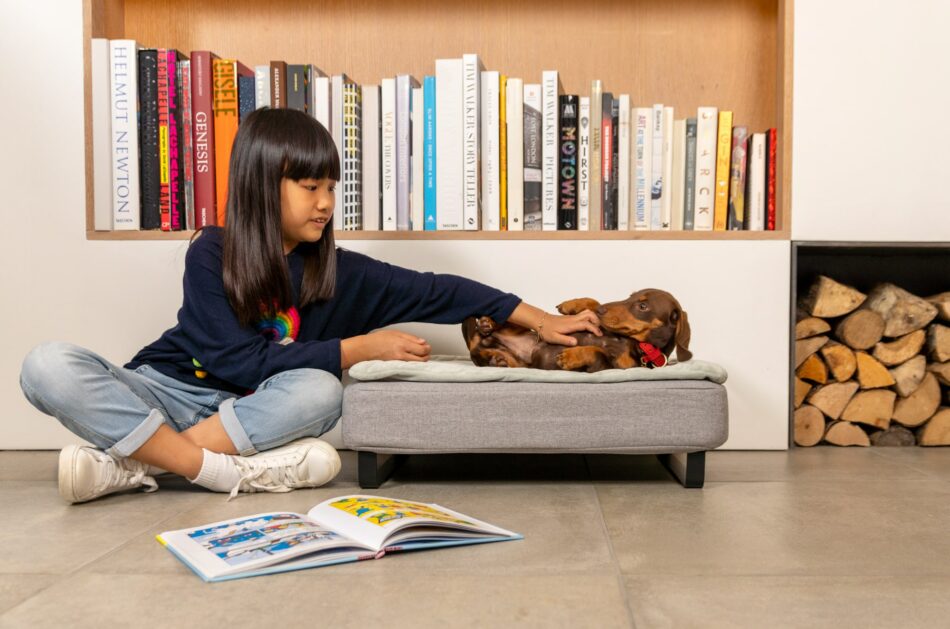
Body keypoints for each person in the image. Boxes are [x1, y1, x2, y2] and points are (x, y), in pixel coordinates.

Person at [19, 108, 601, 504]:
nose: (325, 204)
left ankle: (135, 464)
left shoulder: (338, 270)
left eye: (332, 187)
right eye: (309, 187)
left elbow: (442, 290)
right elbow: (238, 360)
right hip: (168, 390)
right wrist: (358, 348)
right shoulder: (212, 252)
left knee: (322, 392)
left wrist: (543, 319)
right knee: (46, 364)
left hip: (246, 414)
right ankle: (223, 473)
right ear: (260, 183)